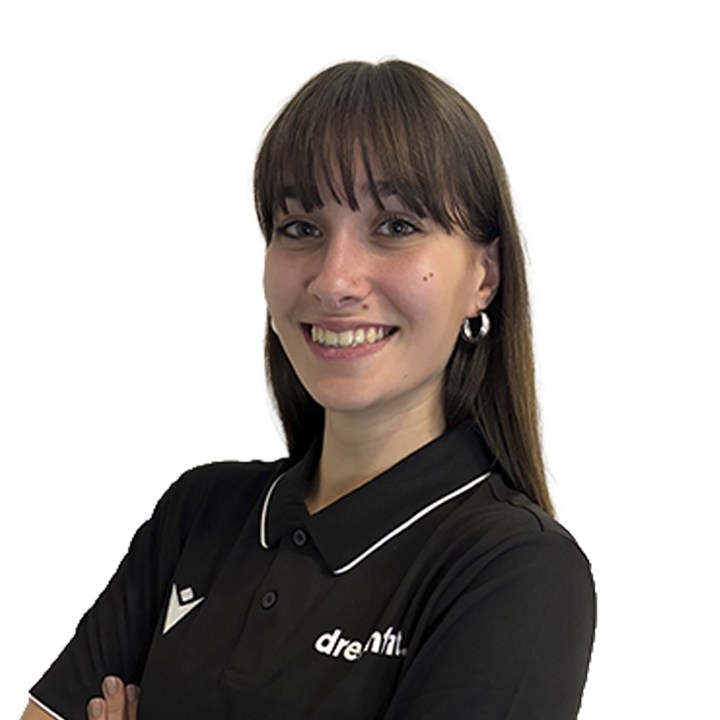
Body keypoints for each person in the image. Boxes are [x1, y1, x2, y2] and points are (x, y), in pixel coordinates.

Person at [21, 60, 595, 720]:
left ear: (483, 277)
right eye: (300, 228)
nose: (334, 280)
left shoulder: (514, 571)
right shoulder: (199, 516)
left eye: (396, 226)